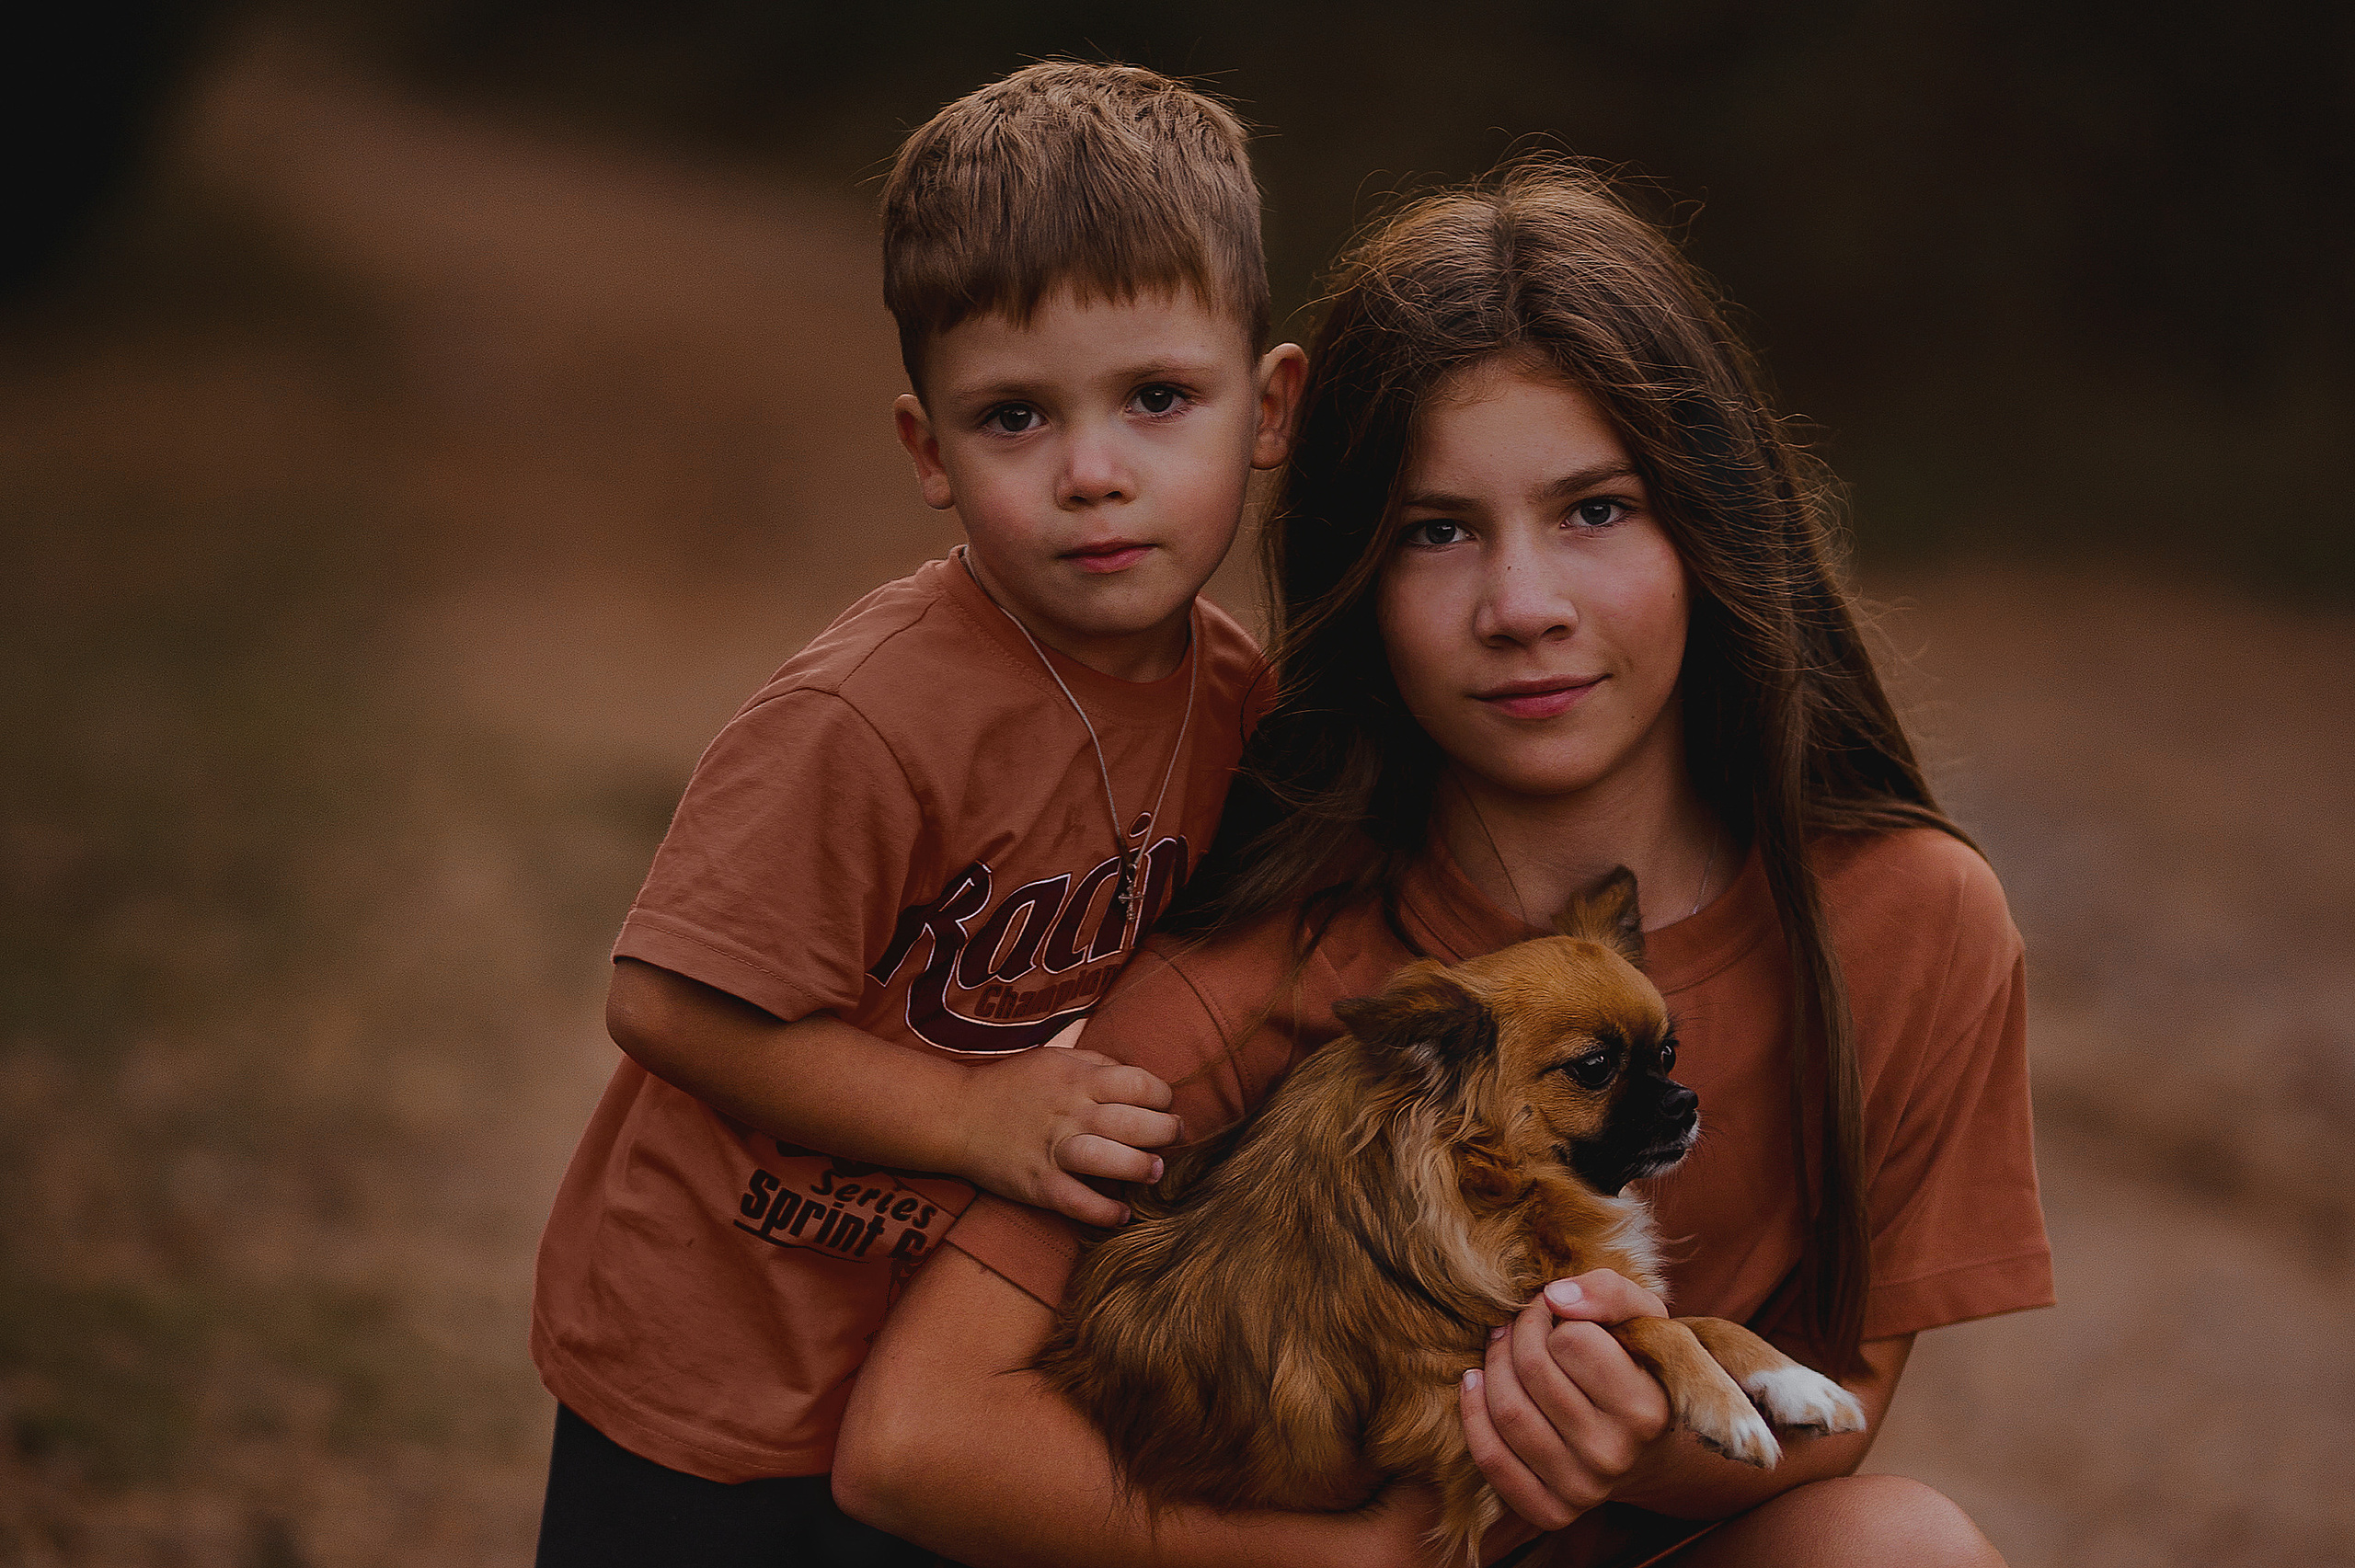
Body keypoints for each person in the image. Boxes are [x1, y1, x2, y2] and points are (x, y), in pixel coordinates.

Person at [833, 161, 2054, 1567]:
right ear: (1361, 571)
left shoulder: (1906, 918)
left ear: (1713, 522)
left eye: (1596, 508)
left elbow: (1847, 1402)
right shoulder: (1268, 947)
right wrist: (1354, 1560)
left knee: (1899, 1547)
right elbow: (917, 1434)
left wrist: (1639, 1431)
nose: (1523, 607)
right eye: (1438, 530)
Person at [528, 61, 1308, 1566]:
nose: (1095, 473)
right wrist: (971, 1115)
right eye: (1015, 417)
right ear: (927, 452)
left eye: (1158, 399)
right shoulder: (869, 718)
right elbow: (668, 1001)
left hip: (951, 1355)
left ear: (1267, 407)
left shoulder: (1241, 706)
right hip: (713, 1351)